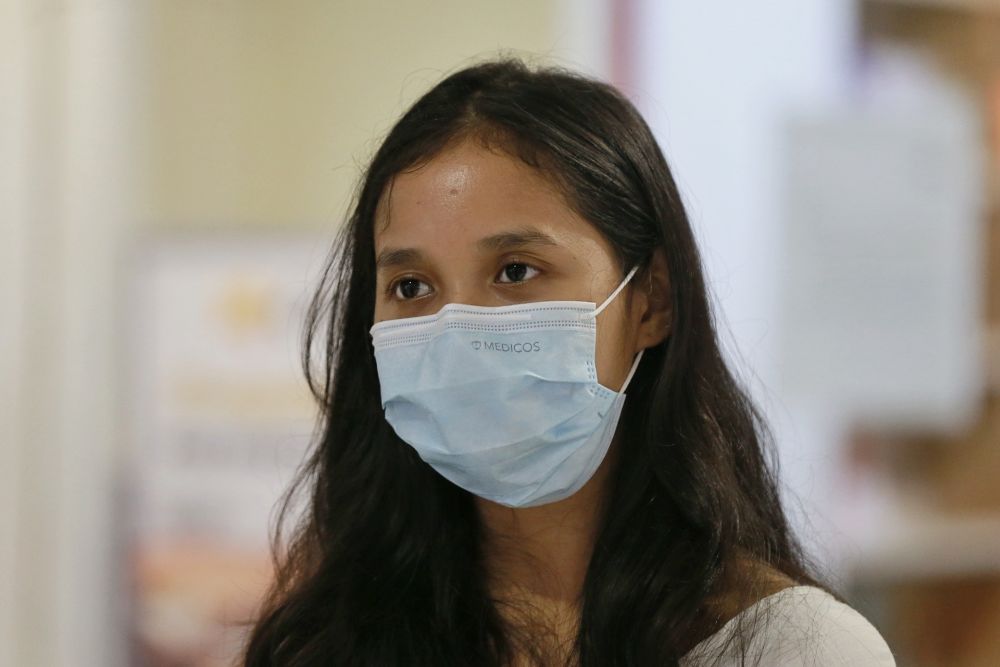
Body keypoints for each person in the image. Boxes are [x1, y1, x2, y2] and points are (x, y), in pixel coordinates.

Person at [241, 59, 895, 666]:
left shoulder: (791, 649)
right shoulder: (328, 640)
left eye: (516, 270)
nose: (455, 330)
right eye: (412, 286)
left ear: (651, 301)